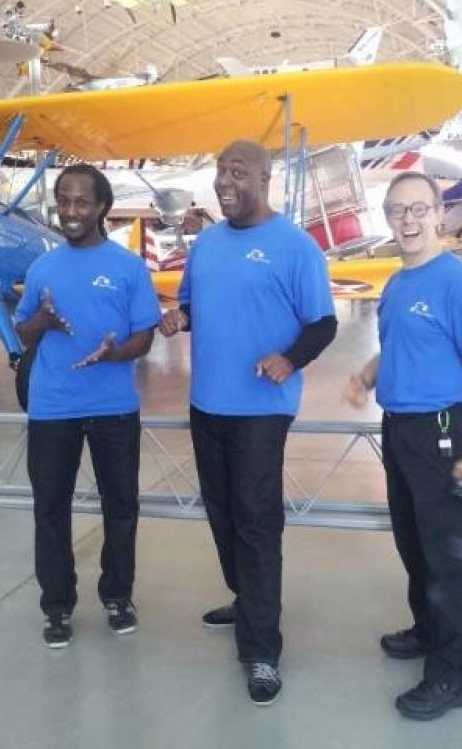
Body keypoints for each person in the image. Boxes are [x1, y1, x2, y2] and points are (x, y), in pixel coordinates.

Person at [159, 140, 337, 706]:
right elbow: (194, 307)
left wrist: (289, 359)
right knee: (222, 513)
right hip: (207, 402)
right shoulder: (207, 244)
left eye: (238, 171)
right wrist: (177, 317)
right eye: (219, 171)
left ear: (265, 177)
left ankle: (261, 649)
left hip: (262, 409)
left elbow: (322, 325)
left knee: (257, 523)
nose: (224, 181)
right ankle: (246, 597)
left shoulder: (295, 247)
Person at [344, 171, 462, 721]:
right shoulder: (398, 282)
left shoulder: (456, 283)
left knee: (447, 558)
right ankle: (429, 632)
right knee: (414, 545)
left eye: (417, 209)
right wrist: (366, 374)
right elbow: (398, 346)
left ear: (438, 214)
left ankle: (455, 677)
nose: (407, 221)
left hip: (441, 431)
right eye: (396, 211)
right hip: (401, 429)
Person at [14, 164, 161, 649]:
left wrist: (116, 353)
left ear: (101, 208)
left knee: (121, 508)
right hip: (53, 407)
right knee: (50, 510)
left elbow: (144, 336)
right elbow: (22, 332)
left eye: (81, 202)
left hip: (114, 406)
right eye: (64, 201)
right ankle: (57, 605)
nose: (71, 211)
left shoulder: (128, 268)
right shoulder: (42, 269)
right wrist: (44, 321)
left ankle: (117, 596)